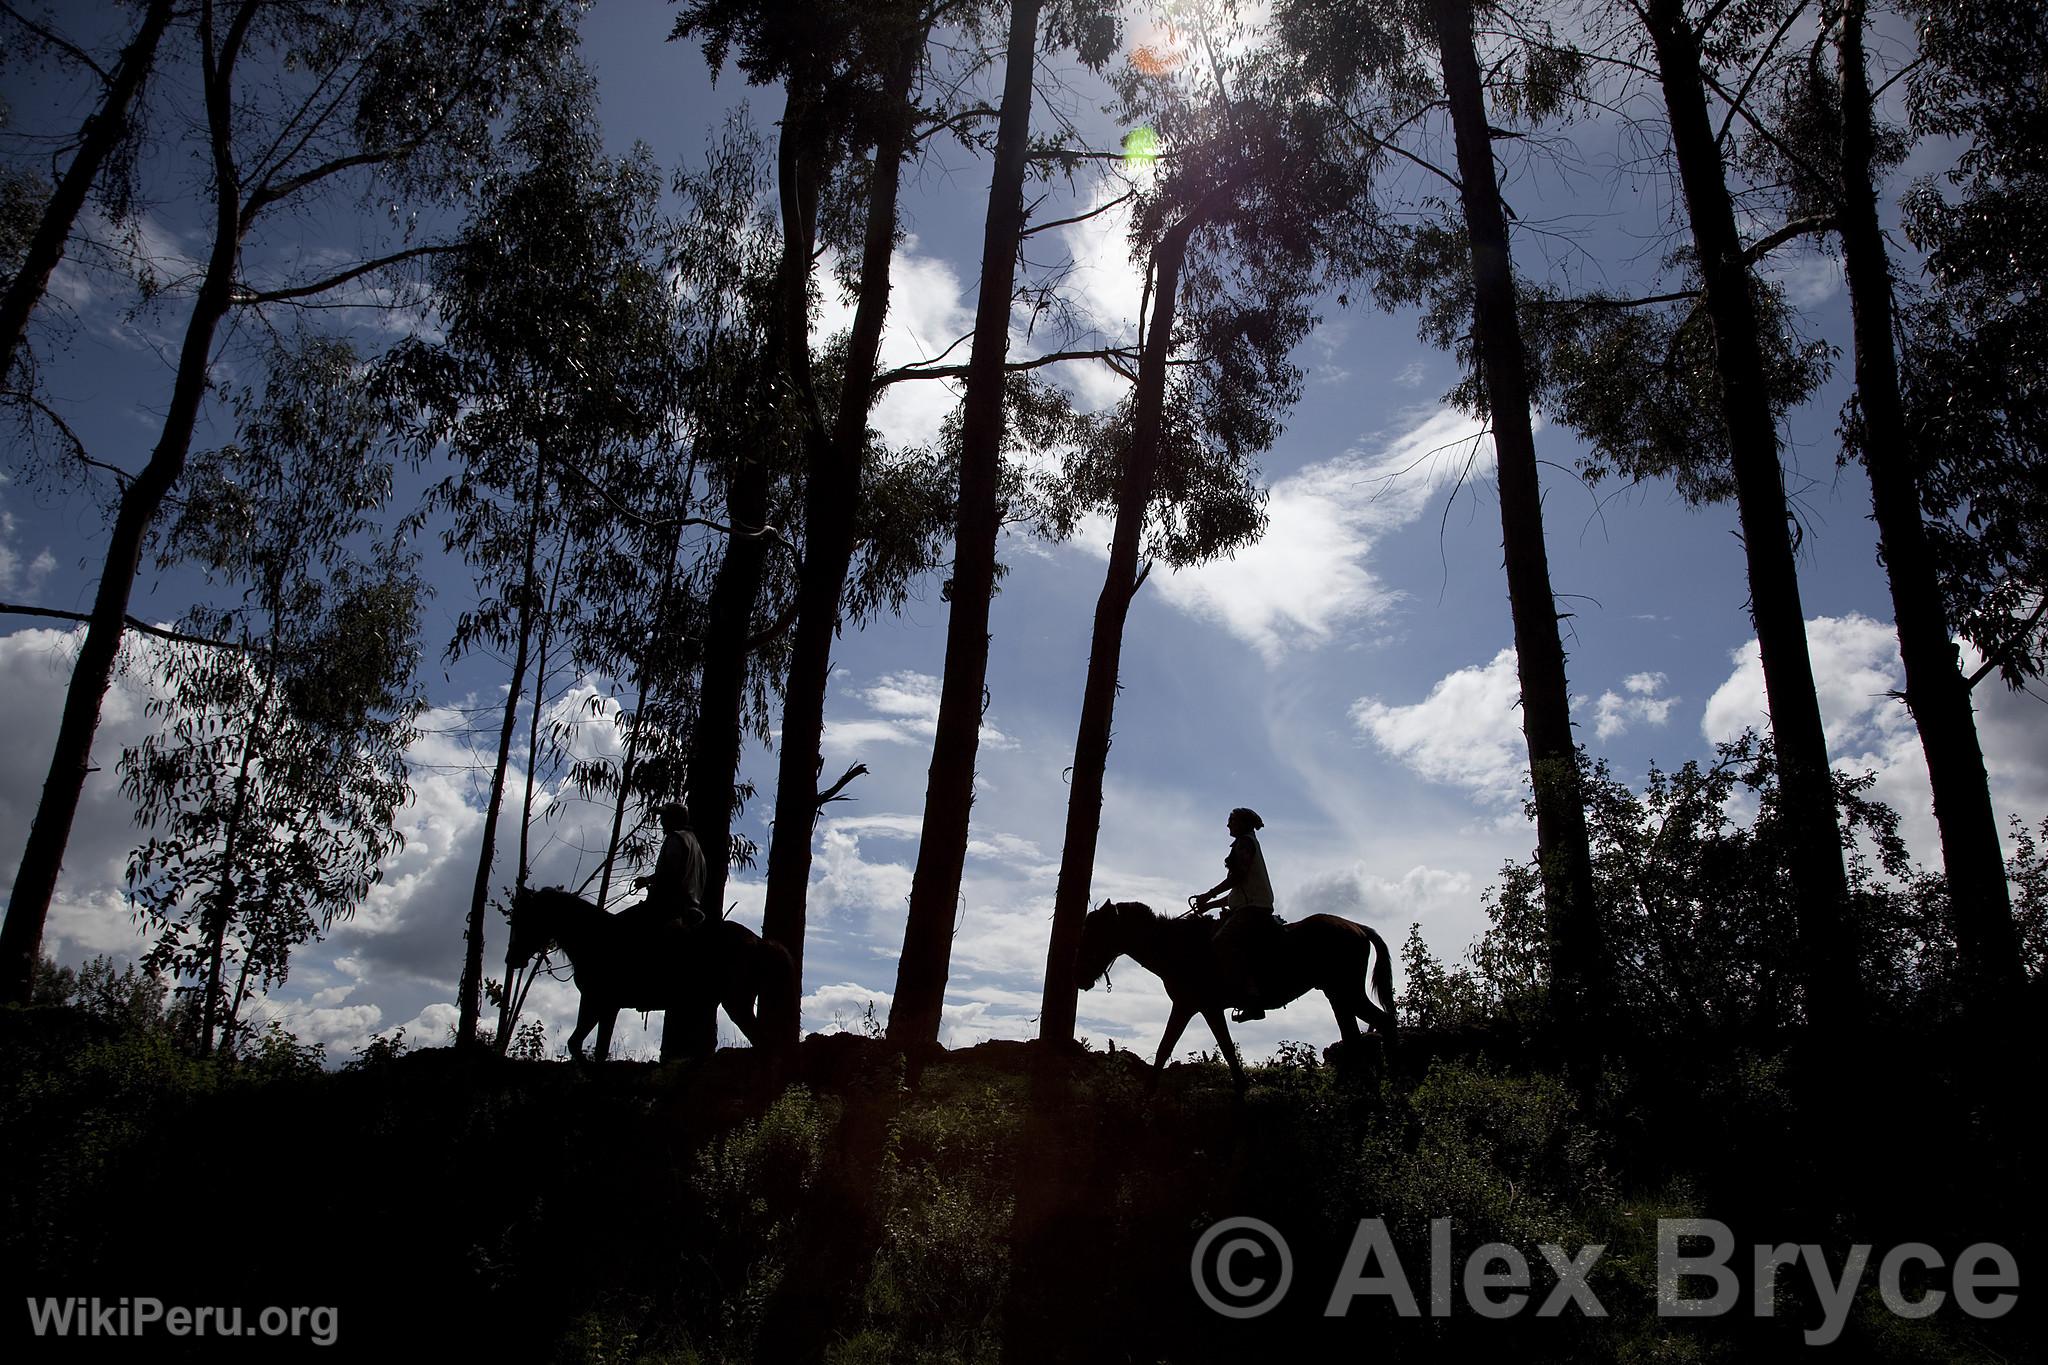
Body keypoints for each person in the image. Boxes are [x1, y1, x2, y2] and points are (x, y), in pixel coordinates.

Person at [1190, 806, 1277, 1021]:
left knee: (1222, 942)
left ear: (1242, 824)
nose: (1228, 825)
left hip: (1253, 908)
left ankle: (1251, 995)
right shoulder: (1245, 843)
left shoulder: (1244, 843)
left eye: (1232, 821)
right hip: (1251, 905)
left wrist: (1208, 895)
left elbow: (1236, 878)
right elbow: (1238, 890)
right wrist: (1209, 905)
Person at [634, 802, 707, 932]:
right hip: (690, 910)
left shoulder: (676, 838)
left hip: (667, 909)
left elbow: (669, 874)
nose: (661, 822)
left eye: (664, 817)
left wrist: (646, 881)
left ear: (673, 819)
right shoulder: (697, 849)